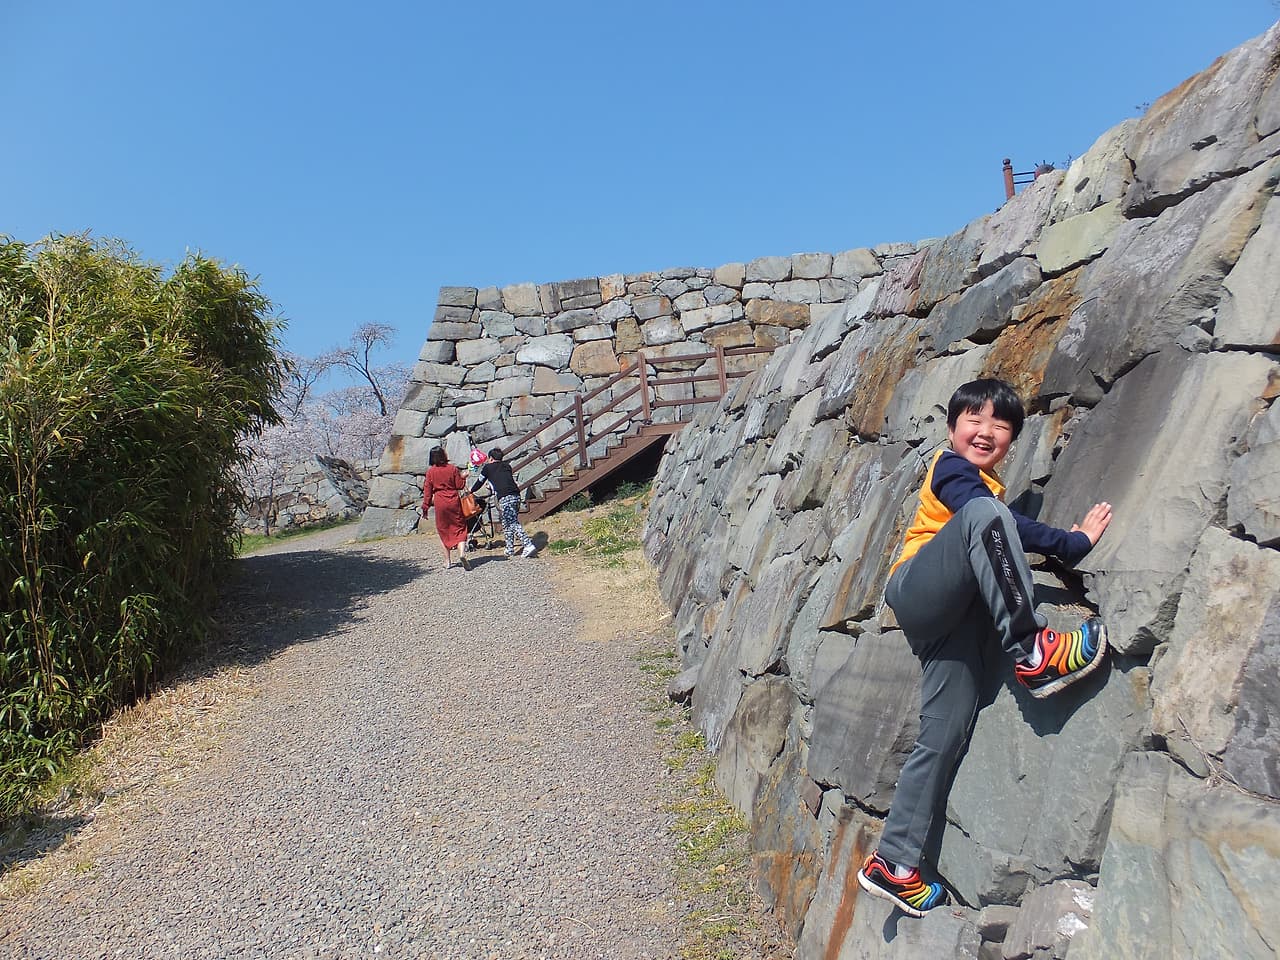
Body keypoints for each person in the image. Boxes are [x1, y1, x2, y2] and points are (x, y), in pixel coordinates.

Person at [856, 378, 1113, 917]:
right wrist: (1073, 543)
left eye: (1001, 424)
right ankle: (1035, 653)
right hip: (916, 588)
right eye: (974, 419)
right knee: (986, 515)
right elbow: (993, 519)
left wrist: (1062, 544)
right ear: (951, 429)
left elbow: (1003, 527)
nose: (986, 431)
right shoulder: (951, 470)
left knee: (943, 732)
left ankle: (893, 863)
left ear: (1013, 440)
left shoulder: (988, 492)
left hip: (950, 623)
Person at [470, 447, 537, 558]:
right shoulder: (507, 466)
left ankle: (528, 544)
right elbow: (501, 479)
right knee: (506, 523)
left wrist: (471, 490)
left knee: (512, 522)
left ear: (491, 458)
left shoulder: (487, 468)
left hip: (505, 497)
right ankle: (509, 549)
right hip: (516, 495)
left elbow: (480, 481)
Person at [422, 446, 472, 571]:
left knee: (443, 530)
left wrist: (425, 507)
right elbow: (459, 485)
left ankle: (447, 561)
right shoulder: (452, 468)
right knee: (460, 527)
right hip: (453, 500)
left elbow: (427, 491)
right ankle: (462, 554)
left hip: (440, 501)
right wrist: (463, 477)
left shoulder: (431, 472)